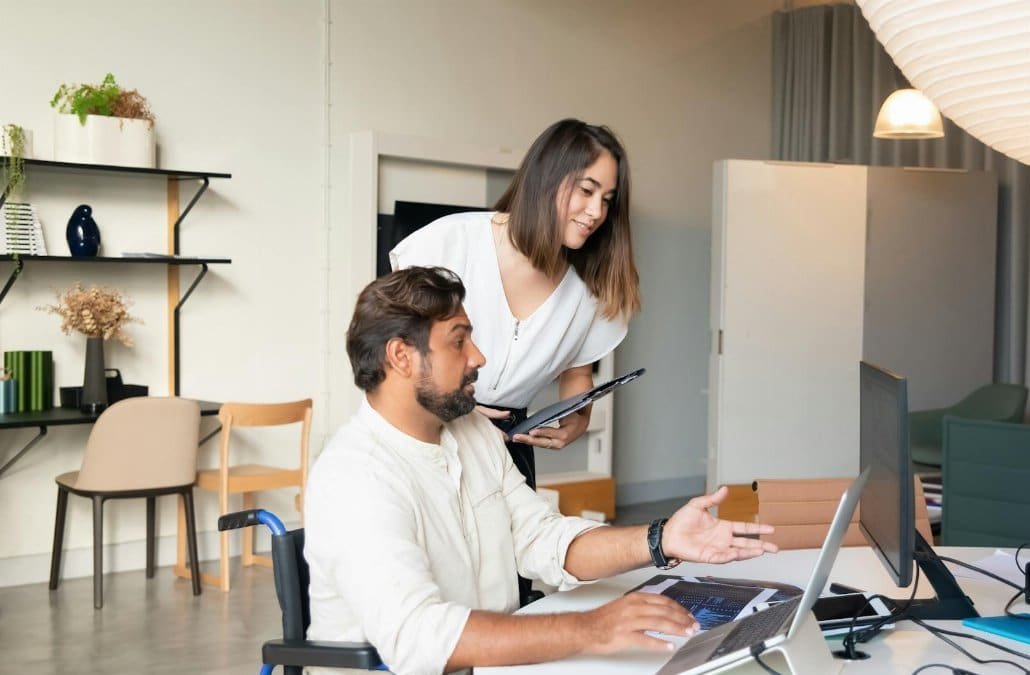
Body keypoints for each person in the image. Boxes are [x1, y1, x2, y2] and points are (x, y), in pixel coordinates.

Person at [304, 266, 776, 674]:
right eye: (459, 341)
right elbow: (422, 637)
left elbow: (541, 538)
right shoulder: (355, 478)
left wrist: (662, 538)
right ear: (401, 356)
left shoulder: (470, 431)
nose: (478, 358)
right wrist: (592, 628)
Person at [388, 118, 640, 493]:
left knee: (511, 551)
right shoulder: (452, 241)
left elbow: (577, 373)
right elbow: (390, 346)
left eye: (606, 200)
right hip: (426, 431)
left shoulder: (589, 288)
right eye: (586, 191)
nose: (596, 212)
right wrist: (450, 401)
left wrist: (578, 419)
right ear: (547, 180)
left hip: (508, 449)